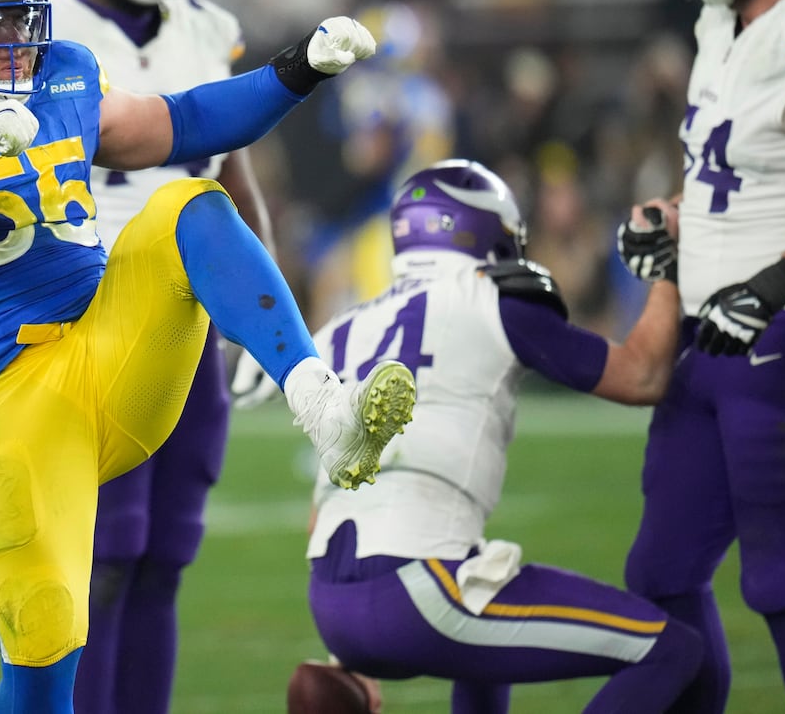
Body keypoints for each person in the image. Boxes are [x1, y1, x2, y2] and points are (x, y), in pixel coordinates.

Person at [0, 0, 413, 711]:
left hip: (104, 348)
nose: (15, 41)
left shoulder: (62, 77)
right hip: (1, 399)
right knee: (44, 662)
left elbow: (188, 124)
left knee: (188, 202)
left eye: (20, 19)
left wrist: (299, 70)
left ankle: (322, 406)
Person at [0, 0, 274, 714]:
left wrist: (261, 303)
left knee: (162, 561)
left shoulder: (209, 26)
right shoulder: (30, 25)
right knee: (88, 569)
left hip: (183, 321)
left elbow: (227, 165)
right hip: (62, 319)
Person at [264, 160, 702, 713]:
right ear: (485, 231)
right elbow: (642, 376)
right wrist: (667, 269)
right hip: (418, 591)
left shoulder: (341, 329)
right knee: (672, 650)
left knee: (485, 616)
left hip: (332, 604)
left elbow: (318, 506)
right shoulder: (492, 299)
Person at [617, 0, 785, 712]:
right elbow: (734, 172)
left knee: (784, 574)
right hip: (706, 339)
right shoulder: (723, 21)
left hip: (780, 336)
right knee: (660, 571)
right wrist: (672, 225)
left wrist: (778, 281)